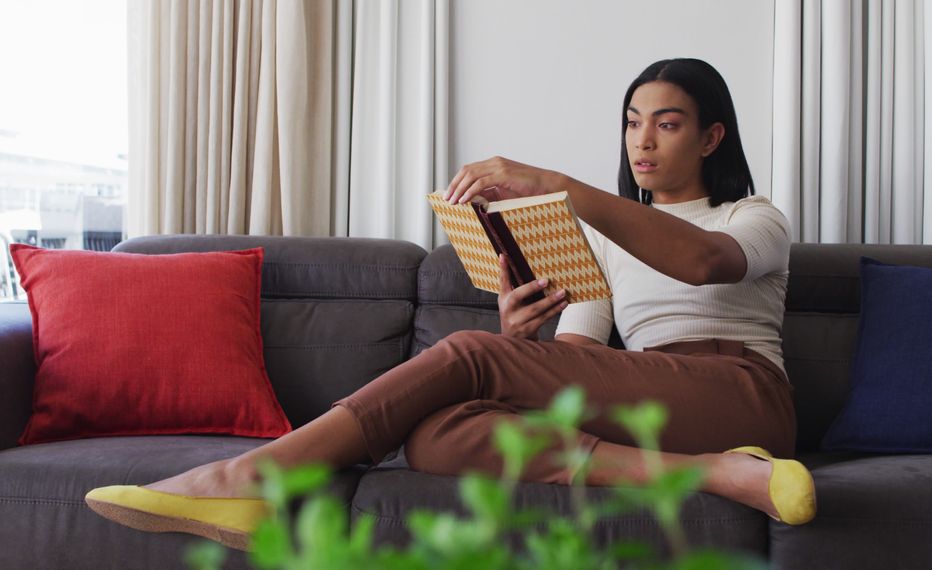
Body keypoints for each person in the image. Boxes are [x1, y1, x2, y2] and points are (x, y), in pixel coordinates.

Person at [85, 58, 816, 550]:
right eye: (632, 121)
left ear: (711, 136)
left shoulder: (753, 218)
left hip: (741, 390)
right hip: (663, 399)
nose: (641, 142)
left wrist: (551, 182)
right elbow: (576, 366)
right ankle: (720, 473)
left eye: (667, 122)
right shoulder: (604, 243)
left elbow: (698, 262)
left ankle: (255, 478)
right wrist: (517, 340)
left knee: (464, 358)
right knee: (438, 434)